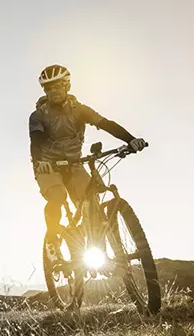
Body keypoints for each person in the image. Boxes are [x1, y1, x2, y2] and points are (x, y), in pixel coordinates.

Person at [29, 64, 147, 260]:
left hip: (75, 164)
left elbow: (105, 124)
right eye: (48, 88)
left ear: (67, 86)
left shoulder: (80, 110)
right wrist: (40, 161)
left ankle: (90, 242)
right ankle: (52, 240)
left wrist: (130, 140)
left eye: (57, 86)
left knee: (91, 201)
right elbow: (37, 140)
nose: (53, 91)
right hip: (47, 166)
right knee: (57, 197)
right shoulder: (38, 115)